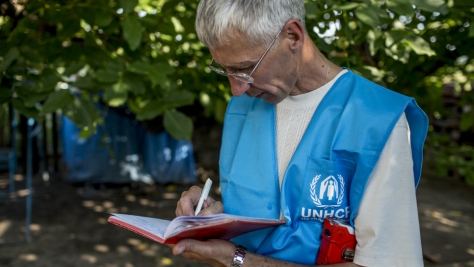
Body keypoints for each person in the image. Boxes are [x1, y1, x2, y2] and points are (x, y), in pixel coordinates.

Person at [173, 0, 428, 266]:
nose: (236, 88)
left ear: (292, 36)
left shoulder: (377, 118)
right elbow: (255, 212)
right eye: (225, 69)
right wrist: (209, 216)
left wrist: (238, 260)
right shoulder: (243, 106)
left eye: (245, 68)